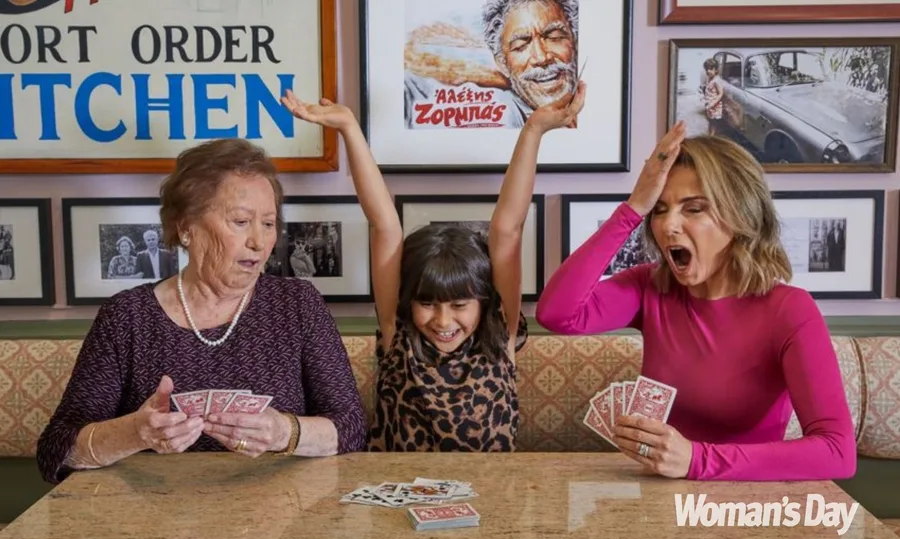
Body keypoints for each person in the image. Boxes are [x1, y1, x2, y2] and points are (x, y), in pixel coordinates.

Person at [535, 122, 856, 481]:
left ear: (740, 216)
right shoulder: (650, 286)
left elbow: (837, 452)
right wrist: (633, 207)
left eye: (694, 209)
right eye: (660, 209)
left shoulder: (789, 310)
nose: (668, 225)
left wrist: (697, 460)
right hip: (656, 497)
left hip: (743, 505)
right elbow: (557, 314)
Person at [37, 138, 367, 484]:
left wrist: (285, 431)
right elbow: (56, 450)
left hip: (280, 520)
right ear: (185, 228)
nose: (258, 241)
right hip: (150, 521)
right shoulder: (127, 316)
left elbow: (351, 428)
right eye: (240, 221)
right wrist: (134, 433)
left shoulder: (297, 305)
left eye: (268, 224)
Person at [281, 82, 585, 452]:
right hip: (399, 497)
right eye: (427, 304)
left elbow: (508, 228)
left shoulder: (498, 336)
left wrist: (533, 130)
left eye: (459, 305)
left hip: (491, 502)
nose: (443, 322)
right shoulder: (399, 338)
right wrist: (349, 129)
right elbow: (384, 224)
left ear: (483, 303)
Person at [403, 0, 578, 129]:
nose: (541, 57)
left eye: (555, 37)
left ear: (575, 41)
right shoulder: (505, 114)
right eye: (520, 46)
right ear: (502, 63)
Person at [702, 58, 725, 136]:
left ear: (716, 70)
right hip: (709, 105)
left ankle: (712, 137)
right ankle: (710, 135)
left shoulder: (716, 81)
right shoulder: (709, 79)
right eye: (707, 69)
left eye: (711, 69)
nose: (708, 71)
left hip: (715, 106)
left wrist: (713, 103)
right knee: (710, 122)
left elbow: (720, 94)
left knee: (714, 123)